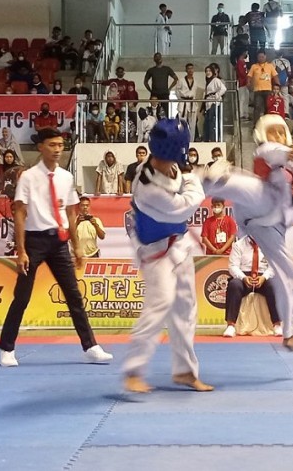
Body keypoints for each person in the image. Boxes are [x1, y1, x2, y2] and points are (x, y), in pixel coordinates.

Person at [200, 114, 293, 354]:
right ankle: (202, 181)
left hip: (273, 223)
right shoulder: (269, 152)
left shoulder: (291, 173)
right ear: (262, 135)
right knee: (238, 181)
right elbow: (271, 151)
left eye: (280, 132)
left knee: (290, 276)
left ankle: (290, 332)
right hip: (257, 202)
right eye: (271, 131)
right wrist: (289, 155)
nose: (276, 136)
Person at [0, 128, 113, 367]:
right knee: (22, 297)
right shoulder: (28, 177)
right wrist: (21, 251)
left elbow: (71, 212)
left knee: (74, 295)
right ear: (41, 147)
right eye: (52, 145)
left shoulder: (66, 177)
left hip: (59, 242)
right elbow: (19, 214)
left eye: (61, 145)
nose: (58, 149)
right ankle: (7, 349)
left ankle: (90, 346)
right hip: (34, 241)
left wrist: (77, 247)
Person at [123, 118, 213, 394]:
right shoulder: (148, 186)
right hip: (155, 251)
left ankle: (185, 371)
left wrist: (191, 175)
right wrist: (198, 178)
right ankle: (133, 371)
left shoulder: (171, 166)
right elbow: (185, 208)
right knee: (160, 303)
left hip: (179, 244)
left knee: (186, 308)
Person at [223, 235, 281, 338]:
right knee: (234, 285)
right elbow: (233, 266)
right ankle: (231, 325)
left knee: (274, 286)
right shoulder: (238, 245)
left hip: (263, 275)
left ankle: (277, 325)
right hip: (244, 275)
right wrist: (244, 277)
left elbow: (274, 265)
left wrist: (264, 277)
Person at [144, 52, 178, 118]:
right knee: (154, 112)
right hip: (154, 94)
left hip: (164, 93)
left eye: (159, 56)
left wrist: (169, 89)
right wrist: (151, 91)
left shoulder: (167, 69)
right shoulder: (151, 70)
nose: (158, 58)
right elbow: (145, 82)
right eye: (156, 57)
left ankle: (165, 127)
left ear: (161, 58)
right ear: (154, 59)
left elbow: (176, 79)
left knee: (165, 112)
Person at [248, 50, 279, 121]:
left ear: (265, 57)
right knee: (257, 107)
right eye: (259, 57)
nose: (261, 58)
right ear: (257, 57)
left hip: (268, 90)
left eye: (262, 57)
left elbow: (275, 76)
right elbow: (249, 76)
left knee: (268, 107)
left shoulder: (270, 66)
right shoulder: (254, 66)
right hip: (257, 90)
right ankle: (256, 124)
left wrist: (278, 86)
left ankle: (267, 122)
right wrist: (249, 84)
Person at [175, 63, 199, 140]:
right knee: (182, 123)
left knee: (193, 124)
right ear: (186, 70)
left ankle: (191, 140)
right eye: (188, 68)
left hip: (192, 103)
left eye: (192, 68)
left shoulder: (195, 81)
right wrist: (181, 99)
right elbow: (177, 91)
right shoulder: (181, 80)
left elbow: (194, 93)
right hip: (183, 103)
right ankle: (182, 140)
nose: (190, 70)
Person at [203, 65, 226, 142]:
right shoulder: (208, 81)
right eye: (206, 71)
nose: (208, 72)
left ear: (212, 72)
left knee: (213, 121)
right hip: (208, 102)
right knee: (208, 122)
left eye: (209, 71)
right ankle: (208, 138)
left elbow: (223, 89)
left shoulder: (216, 80)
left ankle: (213, 138)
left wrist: (216, 96)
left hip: (214, 102)